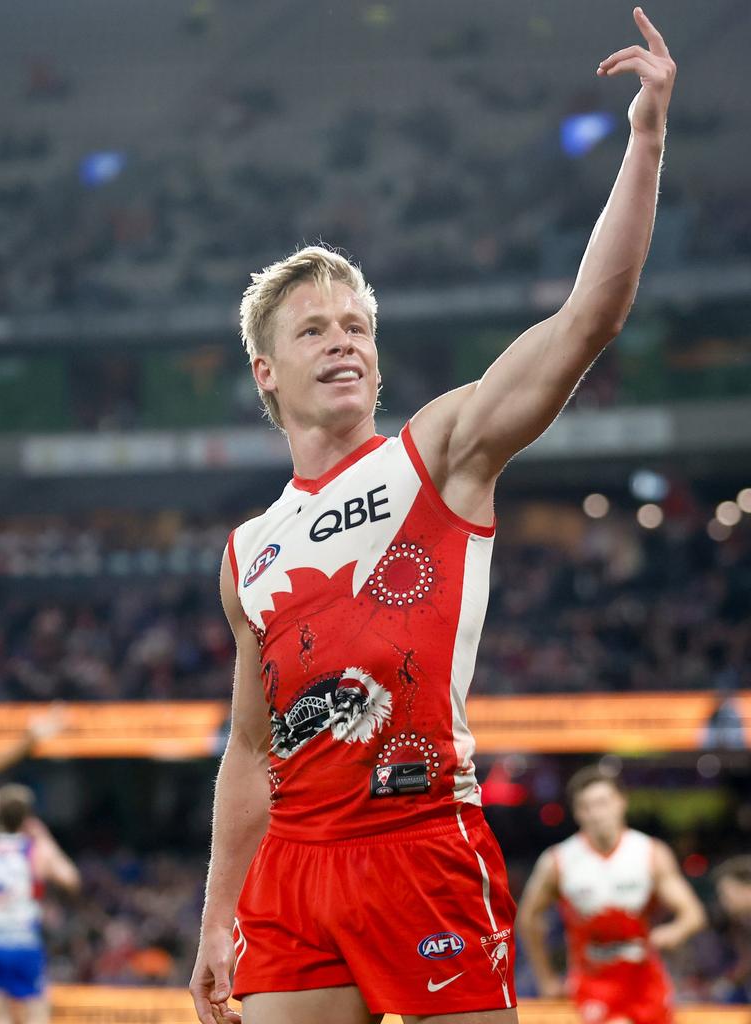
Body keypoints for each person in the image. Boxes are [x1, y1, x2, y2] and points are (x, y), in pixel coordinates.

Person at [189, 10, 677, 1023]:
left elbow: (589, 317)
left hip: (423, 850)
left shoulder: (439, 453)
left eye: (358, 325)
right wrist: (215, 920)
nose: (344, 342)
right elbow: (248, 750)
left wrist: (647, 138)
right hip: (294, 872)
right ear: (266, 372)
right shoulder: (247, 553)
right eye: (313, 328)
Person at [517, 767, 706, 1024]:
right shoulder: (558, 861)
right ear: (576, 812)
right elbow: (528, 918)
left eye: (602, 802)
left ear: (621, 802)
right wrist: (545, 978)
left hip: (646, 981)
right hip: (592, 982)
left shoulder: (650, 853)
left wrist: (676, 931)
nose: (596, 814)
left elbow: (693, 914)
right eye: (586, 806)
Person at [0, 784, 80, 1024]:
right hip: (23, 943)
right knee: (35, 1017)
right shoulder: (35, 851)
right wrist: (44, 837)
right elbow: (71, 880)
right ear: (27, 818)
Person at [710, 856, 751, 1003]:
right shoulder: (740, 923)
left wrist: (728, 981)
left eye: (726, 894)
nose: (723, 902)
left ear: (747, 888)